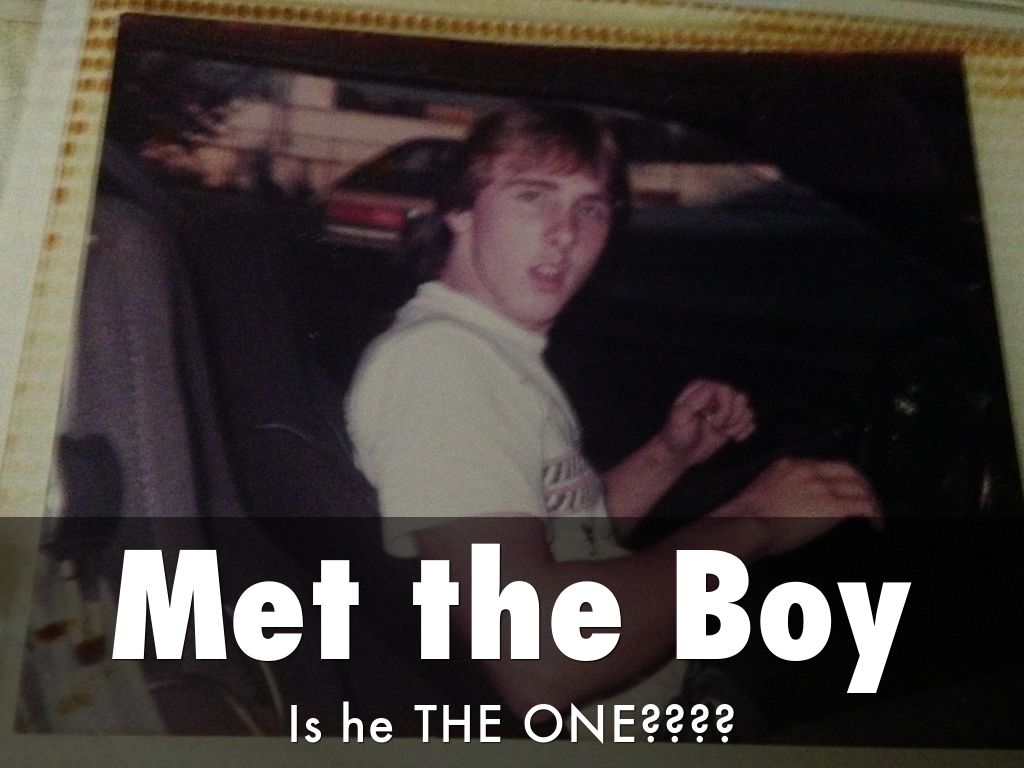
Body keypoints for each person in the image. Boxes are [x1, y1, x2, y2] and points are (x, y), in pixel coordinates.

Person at [345, 103, 878, 718]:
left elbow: (568, 537)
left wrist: (666, 457)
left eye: (590, 208)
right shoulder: (441, 365)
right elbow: (537, 656)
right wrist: (753, 521)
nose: (564, 232)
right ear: (460, 210)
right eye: (532, 196)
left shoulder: (489, 351)